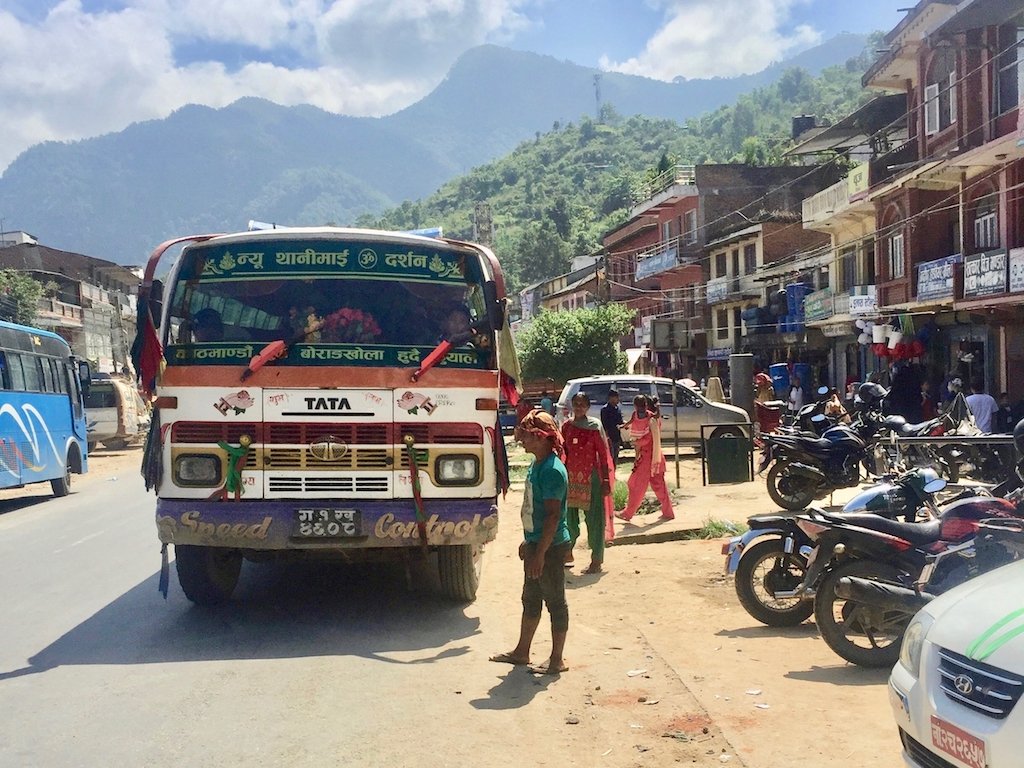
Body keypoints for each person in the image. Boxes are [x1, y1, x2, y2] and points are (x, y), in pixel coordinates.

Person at [489, 410, 571, 675]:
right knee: (531, 598)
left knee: (555, 601)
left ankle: (557, 659)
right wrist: (530, 543)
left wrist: (540, 553)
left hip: (551, 547)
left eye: (528, 436)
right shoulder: (539, 464)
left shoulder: (552, 471)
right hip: (538, 543)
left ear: (542, 437)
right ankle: (522, 652)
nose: (523, 440)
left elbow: (552, 516)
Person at [561, 393, 615, 573]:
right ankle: (567, 552)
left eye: (582, 404)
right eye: (576, 404)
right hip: (570, 479)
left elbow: (603, 454)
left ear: (588, 407)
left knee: (595, 520)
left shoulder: (594, 427)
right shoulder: (567, 427)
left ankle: (596, 560)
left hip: (591, 479)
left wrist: (606, 480)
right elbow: (562, 451)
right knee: (568, 520)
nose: (579, 407)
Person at [615, 395, 675, 522]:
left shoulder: (651, 420)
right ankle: (668, 512)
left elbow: (648, 439)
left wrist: (637, 443)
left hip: (647, 459)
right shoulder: (652, 418)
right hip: (656, 458)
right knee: (659, 486)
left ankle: (628, 513)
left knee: (635, 484)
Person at [600, 389, 624, 464]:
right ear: (611, 398)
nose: (618, 399)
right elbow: (604, 424)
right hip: (609, 437)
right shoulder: (605, 409)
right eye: (616, 397)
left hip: (617, 436)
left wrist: (625, 424)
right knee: (610, 457)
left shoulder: (617, 409)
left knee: (615, 457)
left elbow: (620, 421)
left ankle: (614, 473)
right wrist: (606, 437)